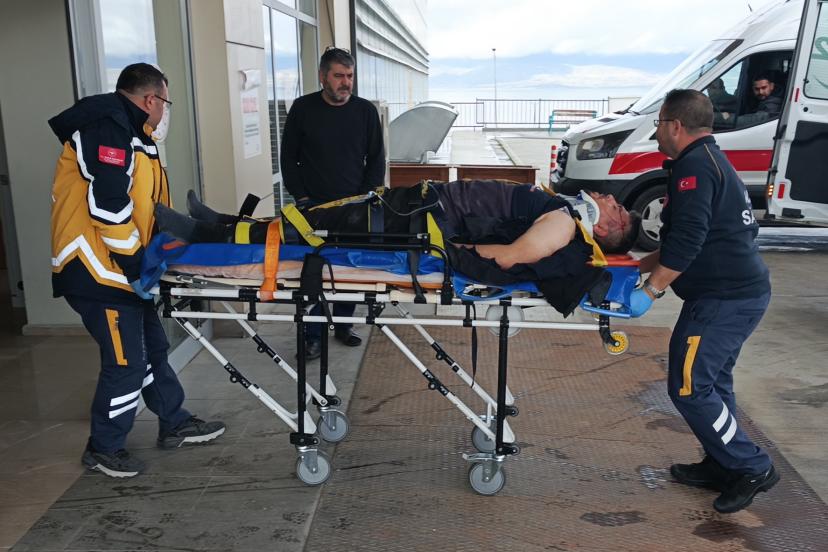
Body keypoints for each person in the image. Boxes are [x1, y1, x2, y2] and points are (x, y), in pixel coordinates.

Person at [49, 63, 225, 478]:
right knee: (126, 362)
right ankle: (104, 448)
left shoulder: (135, 134)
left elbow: (146, 206)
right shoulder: (107, 129)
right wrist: (135, 266)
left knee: (153, 349)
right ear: (151, 100)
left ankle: (173, 422)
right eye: (166, 103)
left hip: (122, 271)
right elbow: (108, 207)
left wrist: (160, 254)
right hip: (97, 272)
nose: (165, 112)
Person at [630, 89, 777, 514]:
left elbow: (689, 240)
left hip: (724, 300)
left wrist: (651, 291)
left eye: (659, 123)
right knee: (712, 384)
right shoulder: (706, 160)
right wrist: (634, 268)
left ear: (675, 126)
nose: (657, 132)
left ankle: (752, 466)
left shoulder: (695, 167)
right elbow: (687, 237)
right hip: (732, 295)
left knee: (690, 386)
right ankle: (722, 462)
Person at [155, 180, 640, 278]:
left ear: (609, 227)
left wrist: (449, 254)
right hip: (419, 208)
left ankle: (205, 235)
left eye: (616, 206)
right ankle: (220, 222)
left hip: (418, 220)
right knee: (311, 220)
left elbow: (513, 256)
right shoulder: (562, 212)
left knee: (310, 230)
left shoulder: (563, 225)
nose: (608, 198)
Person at [280, 46, 385, 360]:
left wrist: (363, 200)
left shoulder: (365, 112)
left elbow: (376, 160)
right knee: (313, 273)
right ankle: (312, 336)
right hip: (312, 210)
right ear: (323, 77)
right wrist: (302, 198)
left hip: (354, 209)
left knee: (348, 269)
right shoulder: (303, 109)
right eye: (339, 76)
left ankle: (343, 325)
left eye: (349, 76)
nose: (346, 82)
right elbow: (288, 158)